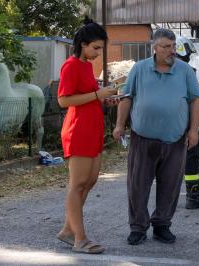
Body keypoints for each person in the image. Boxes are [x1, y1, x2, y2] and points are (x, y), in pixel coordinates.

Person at [113, 28, 199, 245]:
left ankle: (162, 225)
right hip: (143, 138)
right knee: (137, 186)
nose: (171, 51)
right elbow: (127, 98)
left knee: (170, 186)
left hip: (175, 139)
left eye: (173, 47)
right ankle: (138, 227)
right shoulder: (140, 69)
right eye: (166, 47)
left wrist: (193, 130)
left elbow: (196, 100)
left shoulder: (185, 71)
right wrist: (119, 126)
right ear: (154, 47)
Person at [56, 17, 115, 254]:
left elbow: (89, 97)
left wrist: (105, 99)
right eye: (96, 48)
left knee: (88, 182)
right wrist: (97, 95)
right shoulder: (70, 65)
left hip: (92, 129)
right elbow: (63, 100)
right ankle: (80, 239)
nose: (99, 53)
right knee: (77, 184)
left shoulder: (87, 67)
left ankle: (68, 231)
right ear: (83, 44)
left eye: (101, 48)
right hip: (78, 130)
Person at [175, 36, 199, 209]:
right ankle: (193, 197)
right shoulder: (186, 70)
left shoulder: (163, 68)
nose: (188, 55)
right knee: (191, 159)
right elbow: (194, 99)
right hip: (185, 122)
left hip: (169, 123)